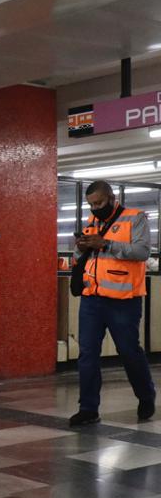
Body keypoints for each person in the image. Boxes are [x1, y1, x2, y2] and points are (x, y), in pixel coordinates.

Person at [70, 180, 155, 425]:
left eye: (98, 203)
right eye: (90, 205)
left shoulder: (135, 218)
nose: (94, 208)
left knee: (129, 352)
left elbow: (142, 252)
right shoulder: (92, 222)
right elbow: (81, 256)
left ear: (111, 198)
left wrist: (106, 243)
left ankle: (146, 396)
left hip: (123, 301)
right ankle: (88, 409)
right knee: (87, 354)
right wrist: (81, 247)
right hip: (92, 300)